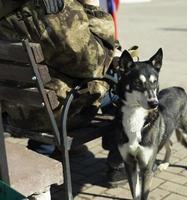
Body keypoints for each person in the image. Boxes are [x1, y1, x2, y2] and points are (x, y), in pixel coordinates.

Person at [0, 0, 126, 187]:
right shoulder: (54, 6)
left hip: (15, 111)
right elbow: (92, 63)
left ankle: (42, 151)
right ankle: (118, 164)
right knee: (123, 82)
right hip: (57, 113)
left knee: (48, 78)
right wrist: (92, 8)